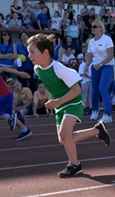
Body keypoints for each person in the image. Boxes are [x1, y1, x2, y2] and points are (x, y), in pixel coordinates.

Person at [27, 34, 110, 178]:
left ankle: (74, 165)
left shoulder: (59, 68)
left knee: (65, 135)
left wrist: (57, 102)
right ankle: (97, 131)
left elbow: (77, 90)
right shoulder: (37, 69)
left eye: (32, 52)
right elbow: (53, 85)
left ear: (45, 52)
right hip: (60, 103)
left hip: (73, 101)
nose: (29, 55)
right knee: (63, 138)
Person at [85, 20, 115, 123]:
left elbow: (111, 55)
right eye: (92, 26)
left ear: (100, 28)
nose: (92, 28)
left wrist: (100, 64)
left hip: (106, 66)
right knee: (94, 91)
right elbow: (89, 55)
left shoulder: (107, 39)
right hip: (95, 67)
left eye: (95, 26)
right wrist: (86, 66)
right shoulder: (91, 41)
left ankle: (108, 114)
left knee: (103, 88)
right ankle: (95, 110)